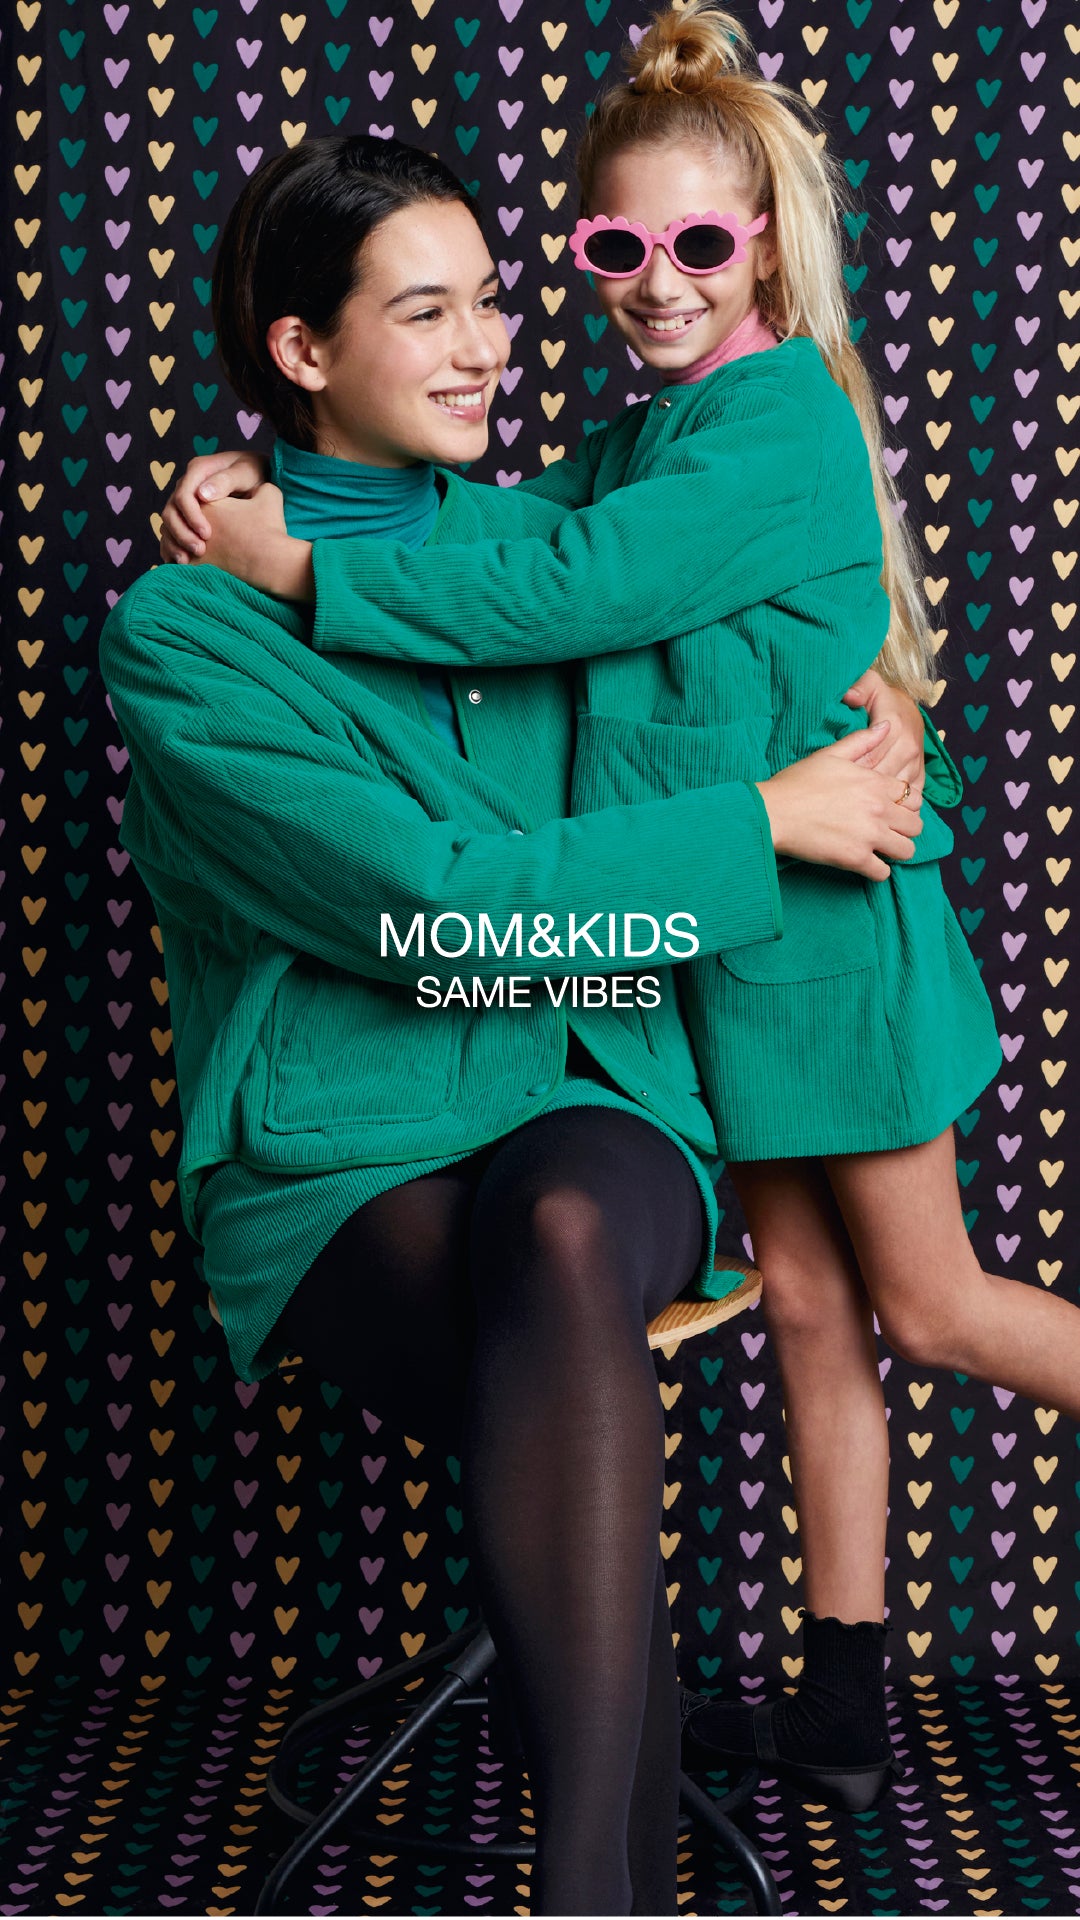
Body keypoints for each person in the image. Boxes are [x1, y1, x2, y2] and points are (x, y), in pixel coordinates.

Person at [160, 1, 1075, 1817]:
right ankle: (842, 1696)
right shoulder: (655, 435)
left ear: (773, 247)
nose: (656, 282)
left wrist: (306, 571)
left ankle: (742, 1739)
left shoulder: (777, 419)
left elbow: (558, 585)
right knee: (810, 1306)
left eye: (701, 244)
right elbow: (494, 530)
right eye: (612, 249)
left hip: (819, 934)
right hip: (712, 942)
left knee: (934, 1305)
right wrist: (268, 497)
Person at [101, 133, 924, 1914]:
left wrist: (874, 712)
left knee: (560, 1237)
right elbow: (435, 920)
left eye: (490, 301)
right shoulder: (182, 631)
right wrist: (755, 830)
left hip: (587, 1074)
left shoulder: (548, 548)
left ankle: (581, 1900)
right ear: (303, 350)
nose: (488, 348)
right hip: (340, 1144)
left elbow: (752, 599)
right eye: (427, 313)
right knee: (551, 1352)